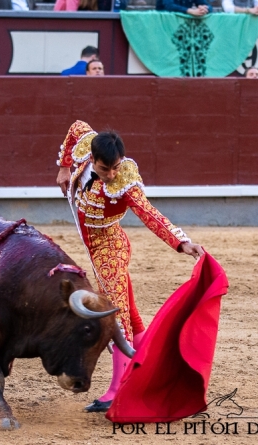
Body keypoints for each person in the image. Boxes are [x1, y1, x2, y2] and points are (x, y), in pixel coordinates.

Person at [55, 121, 204, 413]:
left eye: (115, 168)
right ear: (93, 159)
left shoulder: (125, 182)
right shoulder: (88, 146)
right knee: (131, 316)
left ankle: (117, 390)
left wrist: (181, 242)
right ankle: (154, 370)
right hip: (96, 250)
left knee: (115, 318)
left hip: (110, 250)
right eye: (104, 169)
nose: (111, 175)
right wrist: (64, 166)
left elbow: (150, 214)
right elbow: (76, 127)